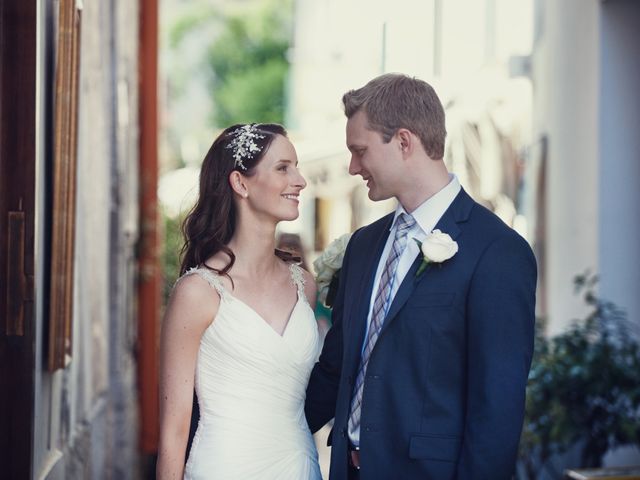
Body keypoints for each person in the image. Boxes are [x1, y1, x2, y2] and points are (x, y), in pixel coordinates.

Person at [304, 74, 537, 479]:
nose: (353, 166)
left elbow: (496, 410)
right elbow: (335, 369)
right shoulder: (362, 246)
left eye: (360, 151)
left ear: (404, 142)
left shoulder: (498, 252)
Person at [157, 123, 322, 480]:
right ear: (240, 183)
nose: (300, 180)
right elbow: (173, 433)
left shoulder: (304, 285)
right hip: (224, 467)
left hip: (299, 466)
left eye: (296, 166)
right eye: (283, 168)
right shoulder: (198, 292)